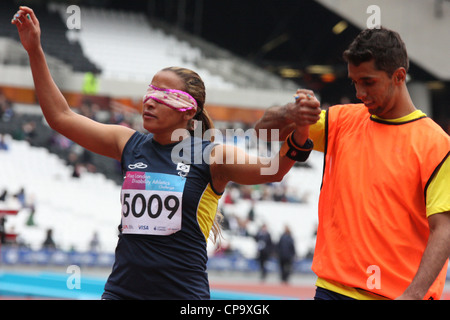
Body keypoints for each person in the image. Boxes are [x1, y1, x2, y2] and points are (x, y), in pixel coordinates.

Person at [12, 6, 319, 300]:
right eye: (150, 91)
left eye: (164, 95)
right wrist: (35, 50)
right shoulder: (128, 143)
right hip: (121, 291)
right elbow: (61, 118)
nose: (150, 100)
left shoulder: (212, 156)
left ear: (189, 110)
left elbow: (273, 169)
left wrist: (301, 132)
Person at [255, 27, 450, 300]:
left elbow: (444, 228)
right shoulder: (340, 120)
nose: (359, 92)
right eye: (354, 82)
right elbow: (262, 133)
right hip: (332, 290)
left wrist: (414, 295)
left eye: (368, 82)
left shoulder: (437, 144)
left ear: (399, 76)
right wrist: (290, 112)